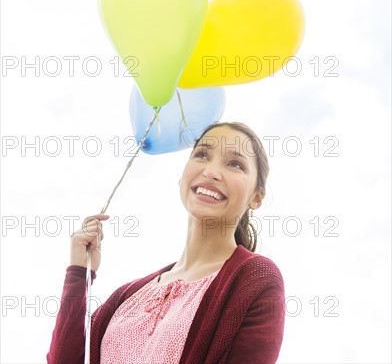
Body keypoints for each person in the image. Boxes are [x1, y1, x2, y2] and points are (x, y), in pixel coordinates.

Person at [47, 122, 285, 363]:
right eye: (202, 155)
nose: (211, 172)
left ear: (256, 197)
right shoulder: (124, 298)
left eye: (235, 164)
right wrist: (79, 272)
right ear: (182, 177)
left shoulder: (255, 277)